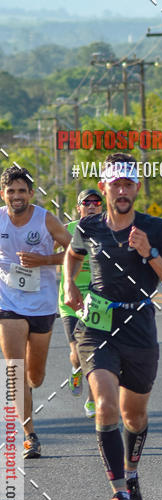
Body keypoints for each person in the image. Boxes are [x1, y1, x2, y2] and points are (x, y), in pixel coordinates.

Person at [63, 152, 162, 500]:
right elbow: (72, 254)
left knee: (134, 415)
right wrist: (70, 283)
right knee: (104, 404)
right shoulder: (89, 227)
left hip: (139, 326)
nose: (121, 190)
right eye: (114, 184)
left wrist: (149, 253)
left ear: (136, 188)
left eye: (127, 184)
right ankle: (119, 494)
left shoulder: (155, 227)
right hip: (97, 326)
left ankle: (131, 475)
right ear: (104, 186)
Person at [0, 164, 71, 458]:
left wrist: (43, 260)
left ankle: (30, 390)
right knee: (14, 370)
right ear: (3, 194)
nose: (17, 196)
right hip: (8, 303)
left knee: (35, 376)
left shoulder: (46, 219)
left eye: (22, 191)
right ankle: (30, 435)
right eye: (11, 191)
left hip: (41, 304)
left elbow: (74, 251)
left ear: (31, 193)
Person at [58, 188, 103, 418]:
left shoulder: (109, 230)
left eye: (97, 202)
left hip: (97, 301)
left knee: (95, 355)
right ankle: (76, 369)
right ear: (79, 207)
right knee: (76, 352)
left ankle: (92, 400)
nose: (92, 205)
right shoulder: (68, 230)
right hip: (70, 300)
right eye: (87, 202)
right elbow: (53, 255)